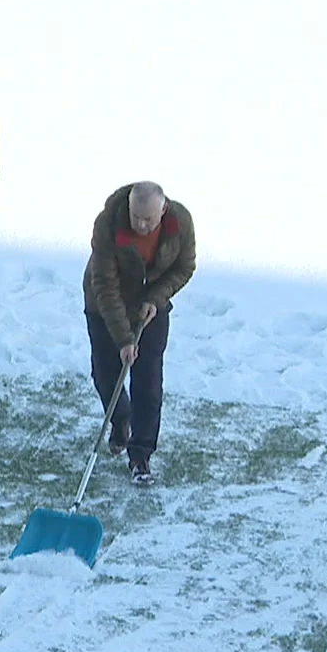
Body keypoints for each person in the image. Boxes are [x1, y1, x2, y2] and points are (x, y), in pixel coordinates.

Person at [82, 181, 197, 486]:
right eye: (136, 218)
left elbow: (184, 267)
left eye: (149, 219)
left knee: (148, 381)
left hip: (150, 308)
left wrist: (154, 298)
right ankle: (121, 419)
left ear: (163, 211)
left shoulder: (179, 224)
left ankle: (141, 455)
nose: (142, 225)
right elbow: (104, 286)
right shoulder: (108, 225)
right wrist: (123, 340)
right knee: (106, 376)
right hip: (104, 303)